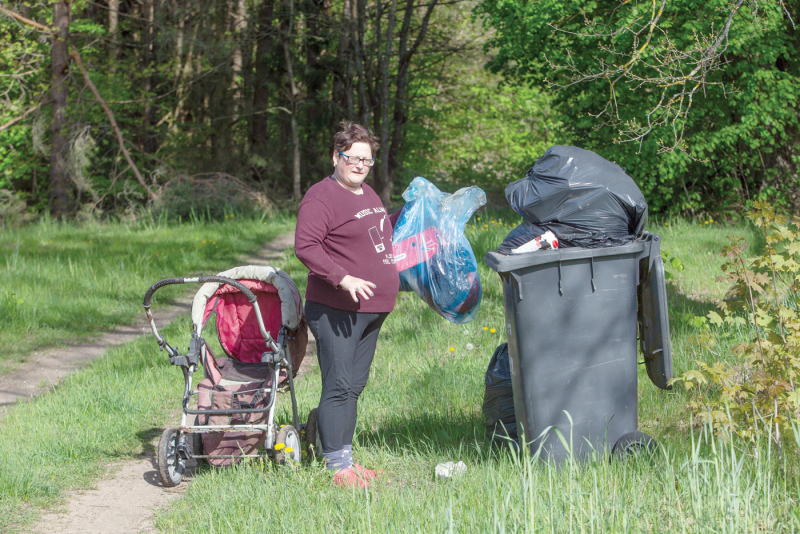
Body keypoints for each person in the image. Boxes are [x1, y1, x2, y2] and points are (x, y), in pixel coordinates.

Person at [295, 121, 401, 488]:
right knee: (338, 384)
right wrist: (344, 278)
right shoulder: (321, 196)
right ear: (335, 157)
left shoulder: (367, 193)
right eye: (352, 158)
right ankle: (337, 467)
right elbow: (306, 246)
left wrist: (408, 217)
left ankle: (347, 459)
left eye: (366, 160)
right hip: (336, 307)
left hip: (372, 309)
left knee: (355, 385)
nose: (359, 165)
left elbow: (376, 232)